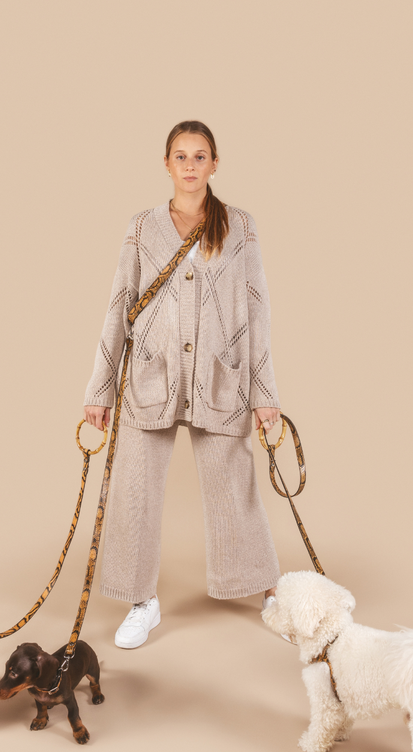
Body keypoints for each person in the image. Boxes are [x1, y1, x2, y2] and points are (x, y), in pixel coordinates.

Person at [83, 120, 281, 649]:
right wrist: (100, 391)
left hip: (221, 379)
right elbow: (118, 307)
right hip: (150, 376)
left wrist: (265, 397)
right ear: (166, 164)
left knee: (236, 488)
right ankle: (142, 602)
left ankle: (270, 594)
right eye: (181, 156)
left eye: (200, 156)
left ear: (215, 164)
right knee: (134, 493)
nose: (190, 166)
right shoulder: (142, 228)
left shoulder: (240, 226)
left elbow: (257, 314)